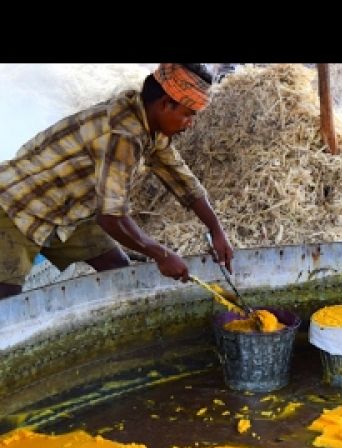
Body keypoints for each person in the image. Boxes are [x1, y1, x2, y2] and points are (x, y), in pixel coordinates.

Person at [0, 63, 234, 300]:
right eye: (187, 114)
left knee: (117, 269)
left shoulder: (148, 123)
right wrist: (161, 254)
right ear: (165, 104)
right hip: (18, 205)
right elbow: (111, 218)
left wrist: (216, 229)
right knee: (7, 300)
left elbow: (180, 177)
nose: (190, 124)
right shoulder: (123, 134)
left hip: (67, 209)